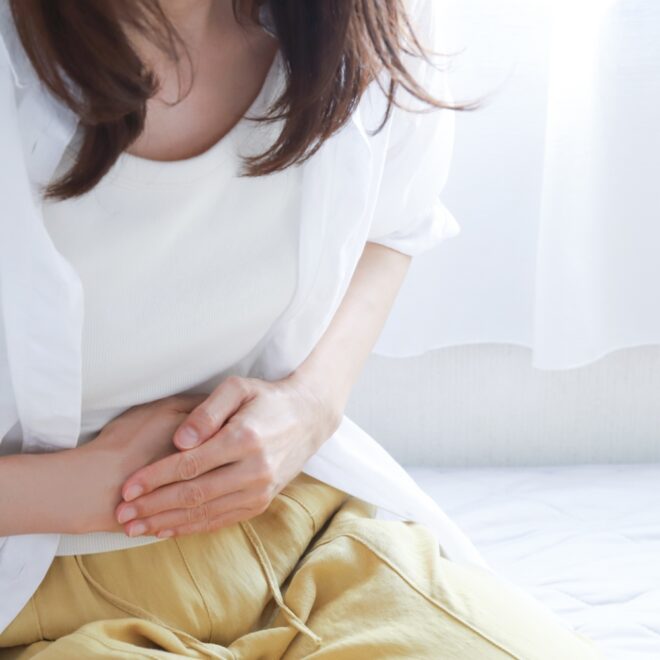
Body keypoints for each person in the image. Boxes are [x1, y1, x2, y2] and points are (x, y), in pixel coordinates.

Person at [0, 0, 605, 657]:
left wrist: (312, 404)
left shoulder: (360, 19)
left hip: (295, 532)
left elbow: (394, 223)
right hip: (30, 581)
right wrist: (67, 490)